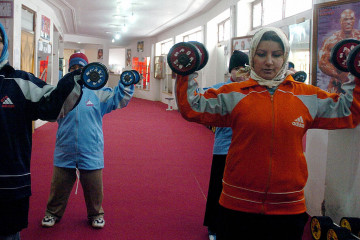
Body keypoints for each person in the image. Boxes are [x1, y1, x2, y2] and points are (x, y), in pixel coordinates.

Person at [175, 27, 360, 240]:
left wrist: (355, 75)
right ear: (252, 56)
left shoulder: (306, 96)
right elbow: (192, 107)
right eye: (261, 54)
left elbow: (349, 112)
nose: (269, 61)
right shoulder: (234, 93)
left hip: (288, 208)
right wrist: (185, 71)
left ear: (285, 57)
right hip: (237, 204)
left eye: (276, 55)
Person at [0, 23, 83, 240]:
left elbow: (52, 103)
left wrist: (76, 78)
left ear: (4, 45)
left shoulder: (20, 82)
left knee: (7, 234)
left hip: (9, 182)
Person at [41, 52, 134, 229]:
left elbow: (119, 99)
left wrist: (126, 82)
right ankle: (52, 213)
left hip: (90, 148)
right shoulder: (61, 94)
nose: (77, 72)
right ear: (69, 72)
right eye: (73, 69)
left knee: (94, 188)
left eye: (80, 68)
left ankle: (96, 214)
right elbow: (49, 111)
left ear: (87, 70)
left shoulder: (98, 94)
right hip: (65, 147)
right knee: (59, 185)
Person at [203, 50, 249, 240]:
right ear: (230, 71)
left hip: (247, 148)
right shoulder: (221, 88)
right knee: (218, 188)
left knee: (243, 191)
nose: (240, 73)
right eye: (236, 69)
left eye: (244, 69)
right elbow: (200, 102)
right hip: (224, 148)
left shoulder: (253, 89)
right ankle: (214, 227)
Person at [318, 9, 360, 93]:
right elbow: (322, 63)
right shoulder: (332, 41)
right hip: (337, 84)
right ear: (341, 21)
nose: (348, 22)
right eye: (345, 19)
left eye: (351, 19)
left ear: (354, 20)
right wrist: (339, 76)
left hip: (357, 84)